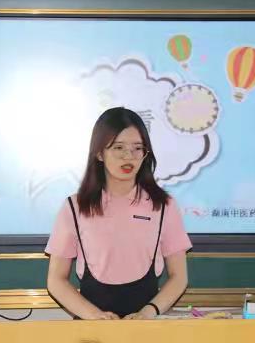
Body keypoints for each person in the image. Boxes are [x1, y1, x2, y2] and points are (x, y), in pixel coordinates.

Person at [45, 107, 192, 320]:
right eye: (118, 147)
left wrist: (148, 313)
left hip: (146, 326)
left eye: (137, 148)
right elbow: (56, 280)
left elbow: (179, 277)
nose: (128, 156)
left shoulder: (163, 205)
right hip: (92, 327)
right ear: (99, 153)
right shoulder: (75, 206)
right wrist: (95, 316)